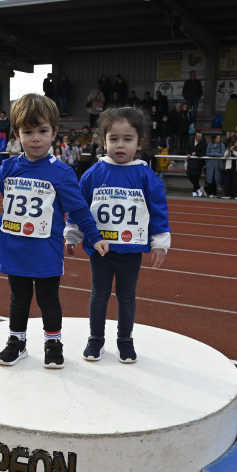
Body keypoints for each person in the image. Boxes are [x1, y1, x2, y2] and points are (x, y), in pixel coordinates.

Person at [0, 94, 110, 369]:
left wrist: (96, 236)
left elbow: (79, 209)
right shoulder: (9, 168)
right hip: (14, 249)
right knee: (18, 300)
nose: (35, 138)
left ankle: (53, 344)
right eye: (28, 132)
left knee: (48, 300)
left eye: (42, 131)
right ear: (17, 134)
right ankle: (16, 343)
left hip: (45, 252)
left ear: (54, 133)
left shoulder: (62, 173)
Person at [64, 106, 170, 364]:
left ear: (140, 143)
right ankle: (96, 340)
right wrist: (72, 234)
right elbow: (80, 207)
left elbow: (158, 212)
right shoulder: (93, 173)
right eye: (114, 139)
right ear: (103, 141)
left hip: (131, 250)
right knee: (98, 294)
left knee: (127, 296)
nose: (120, 145)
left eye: (127, 139)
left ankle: (125, 340)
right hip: (100, 249)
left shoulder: (146, 176)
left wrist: (159, 244)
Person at [221, 133, 237, 199]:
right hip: (229, 166)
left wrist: (233, 151)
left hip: (236, 167)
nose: (236, 143)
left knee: (235, 181)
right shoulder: (228, 147)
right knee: (228, 181)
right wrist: (229, 150)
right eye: (235, 142)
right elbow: (225, 156)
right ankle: (227, 194)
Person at [186, 130, 207, 197]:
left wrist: (196, 153)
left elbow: (204, 153)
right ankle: (199, 188)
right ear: (195, 136)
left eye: (201, 136)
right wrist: (188, 154)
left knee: (196, 177)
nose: (200, 138)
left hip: (199, 162)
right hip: (191, 161)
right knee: (189, 173)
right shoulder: (191, 141)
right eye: (198, 137)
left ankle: (194, 191)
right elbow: (187, 148)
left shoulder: (204, 143)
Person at [204, 133, 225, 198]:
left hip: (218, 164)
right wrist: (214, 154)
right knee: (210, 178)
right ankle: (211, 192)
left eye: (219, 138)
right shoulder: (210, 144)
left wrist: (214, 153)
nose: (219, 139)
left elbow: (222, 154)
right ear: (214, 139)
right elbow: (207, 153)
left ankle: (214, 193)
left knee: (216, 178)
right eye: (217, 138)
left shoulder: (222, 145)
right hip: (210, 164)